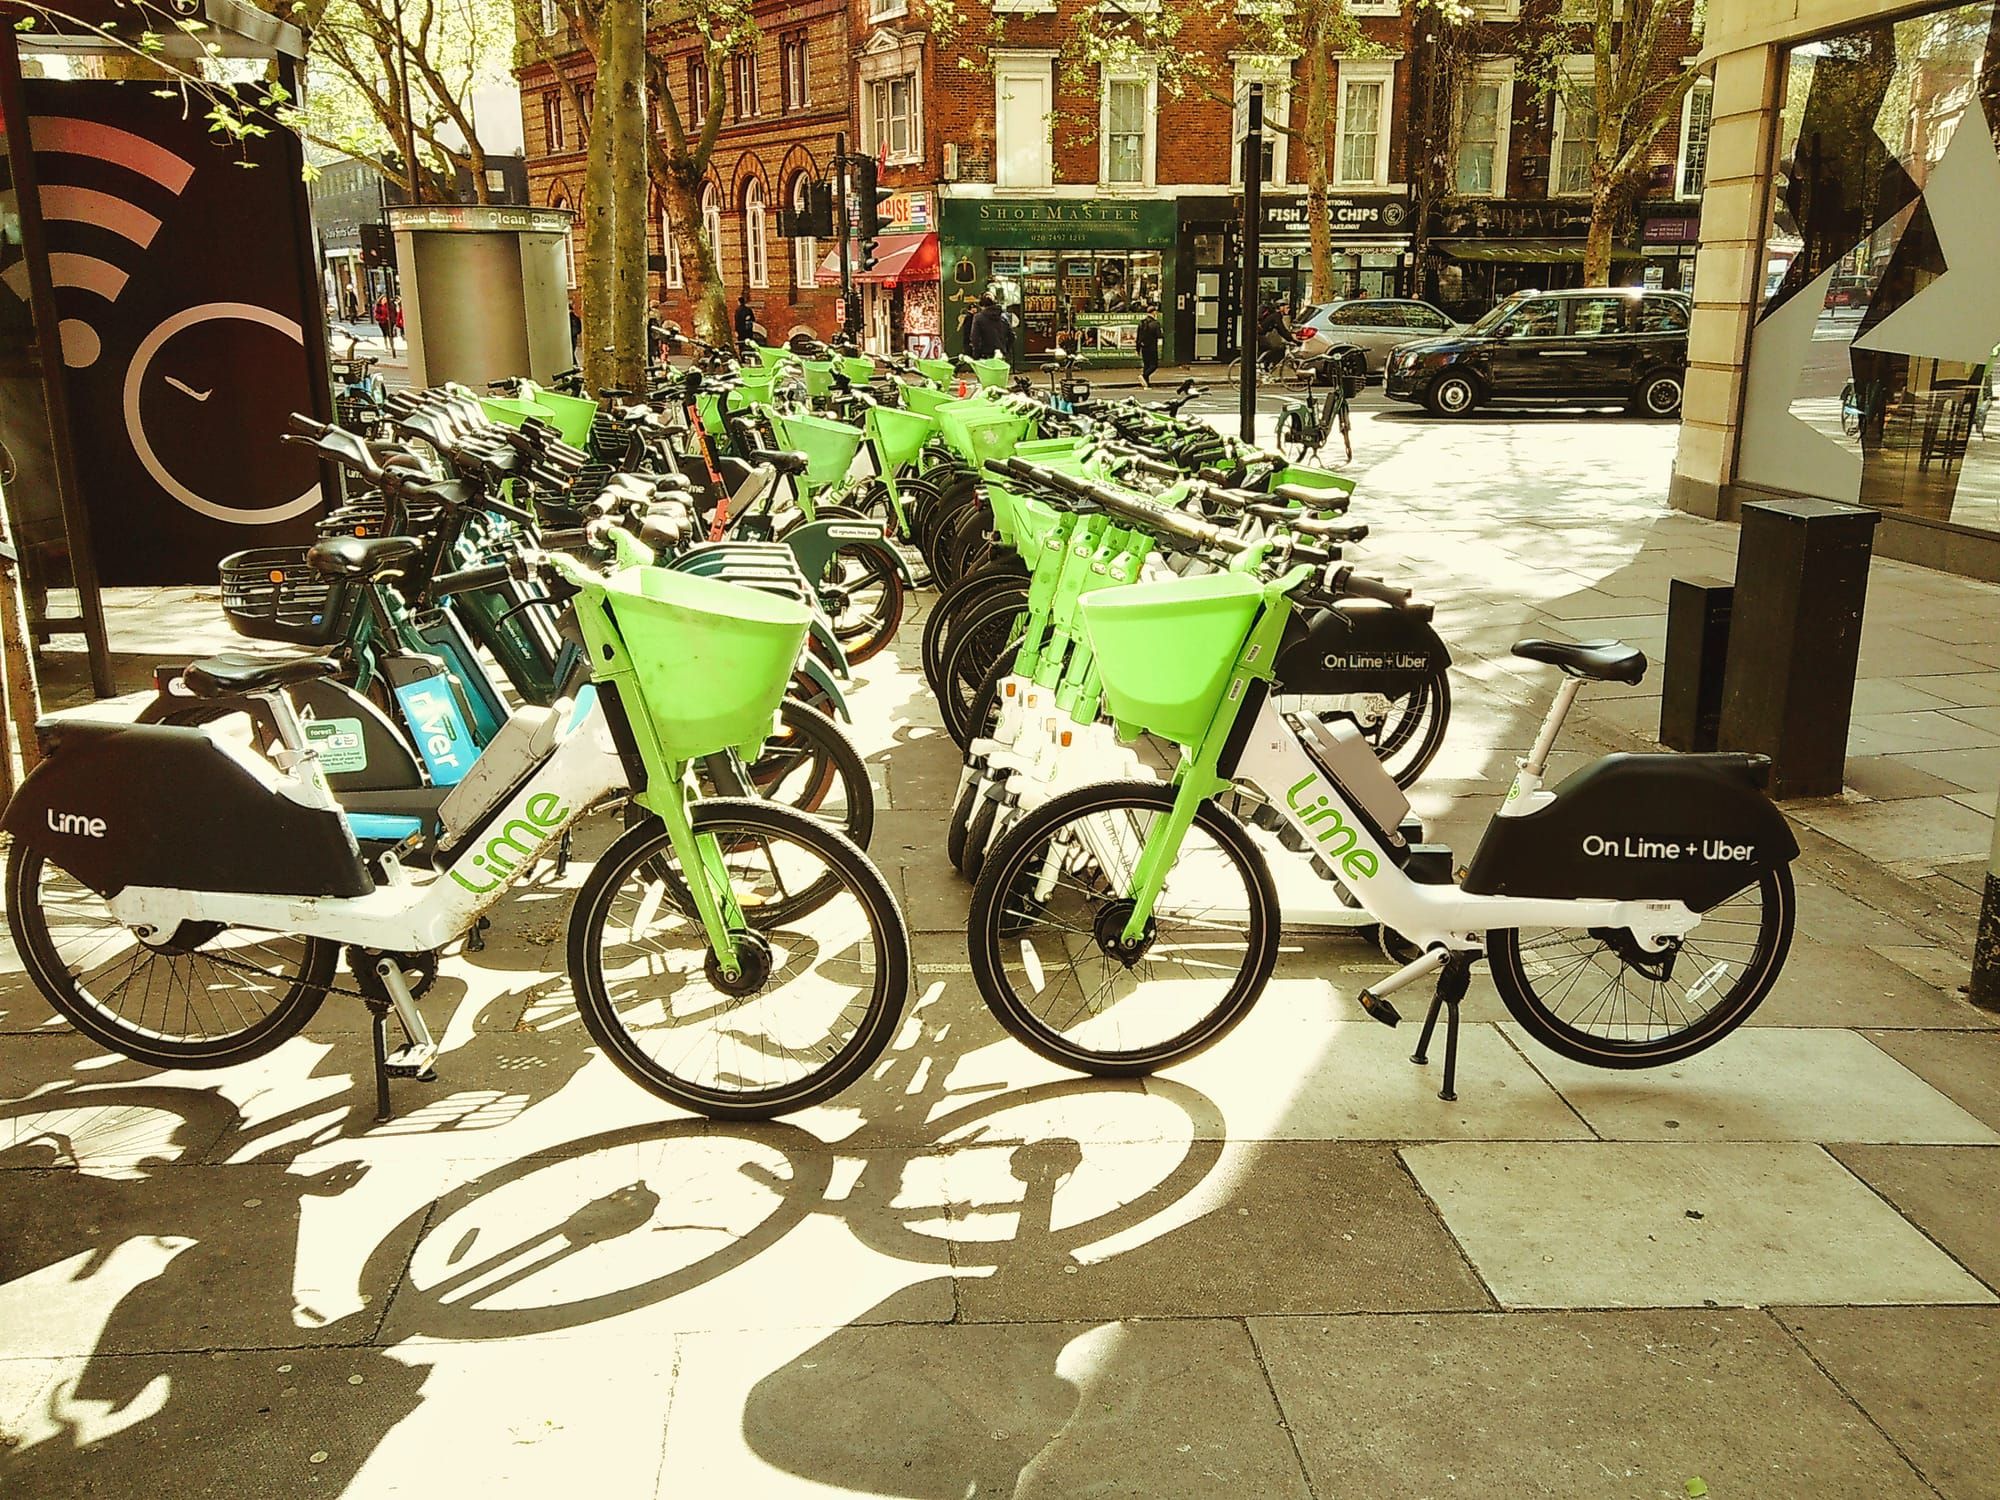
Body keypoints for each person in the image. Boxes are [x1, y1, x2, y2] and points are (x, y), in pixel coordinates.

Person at [966, 295, 1012, 361]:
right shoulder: (1004, 317)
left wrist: (976, 356)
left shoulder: (978, 318)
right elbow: (1012, 336)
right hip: (1001, 355)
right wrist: (1005, 349)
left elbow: (975, 338)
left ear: (982, 305)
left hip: (984, 356)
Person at [1136, 304, 1162, 387]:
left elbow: (1138, 337)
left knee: (1146, 365)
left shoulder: (1142, 323)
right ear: (1154, 312)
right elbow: (1159, 335)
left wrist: (1137, 349)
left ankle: (1146, 383)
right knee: (1154, 365)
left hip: (1144, 347)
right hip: (1152, 347)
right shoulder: (1155, 323)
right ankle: (1143, 376)